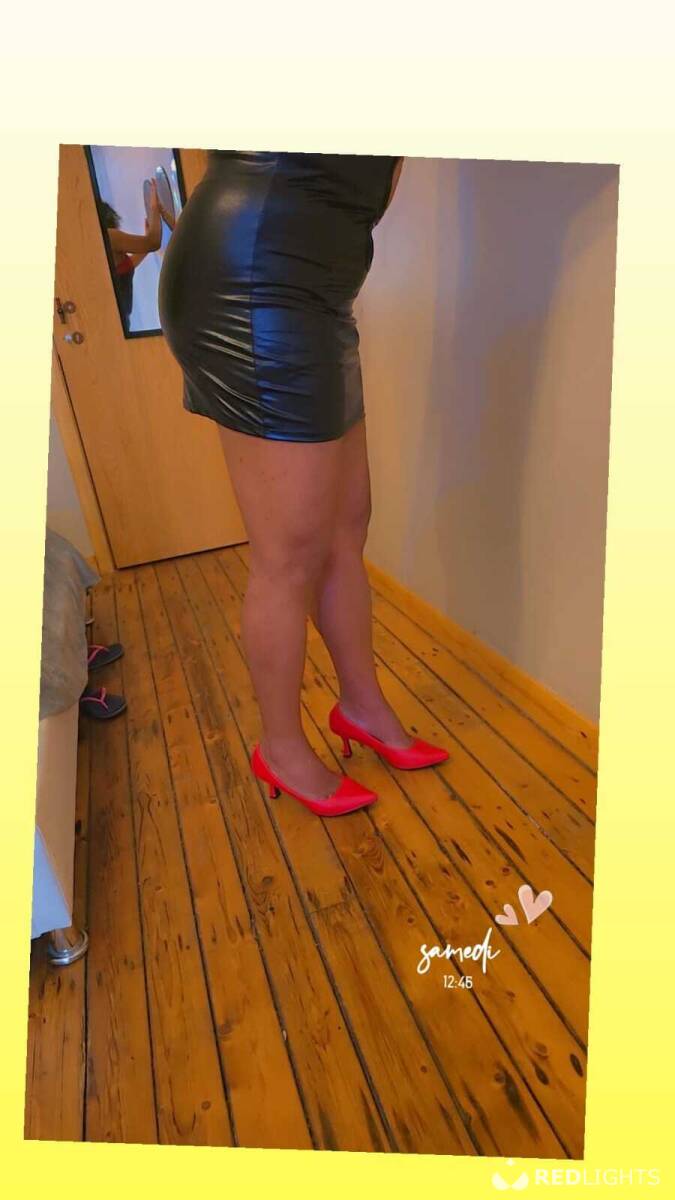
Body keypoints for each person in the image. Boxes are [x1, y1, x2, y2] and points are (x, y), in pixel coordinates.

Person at [158, 150, 449, 817]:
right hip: (253, 284)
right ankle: (281, 748)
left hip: (321, 291)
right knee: (289, 553)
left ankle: (362, 707)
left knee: (346, 528)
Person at [99, 179, 162, 333]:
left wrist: (145, 243)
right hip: (115, 324)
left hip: (120, 322)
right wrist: (155, 208)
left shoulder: (104, 242)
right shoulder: (109, 236)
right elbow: (154, 242)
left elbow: (126, 266)